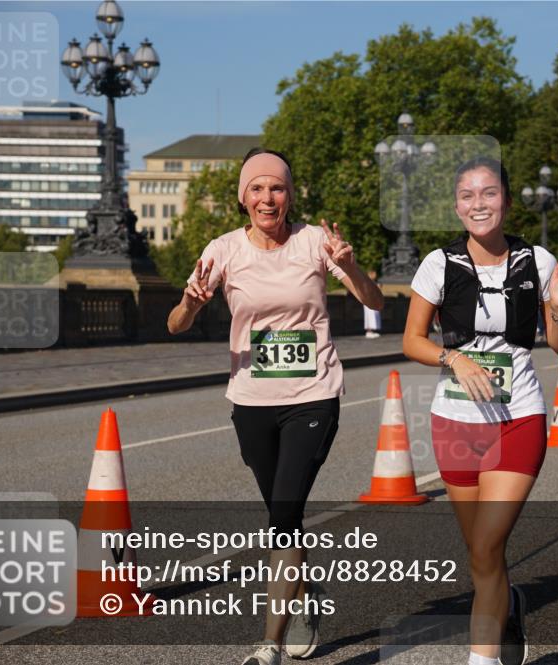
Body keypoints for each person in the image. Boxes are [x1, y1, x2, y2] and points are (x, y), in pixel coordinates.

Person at [167, 148, 384, 665]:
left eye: (278, 188)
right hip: (251, 400)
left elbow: (374, 301)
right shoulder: (222, 250)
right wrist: (192, 304)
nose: (268, 198)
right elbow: (175, 325)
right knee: (280, 513)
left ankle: (269, 645)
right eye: (258, 188)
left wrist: (351, 267)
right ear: (244, 198)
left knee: (284, 516)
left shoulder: (314, 242)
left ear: (290, 195)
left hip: (313, 395)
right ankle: (306, 592)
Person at [403, 157, 558, 665]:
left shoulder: (538, 261)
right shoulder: (439, 264)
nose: (477, 204)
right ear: (457, 205)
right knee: (483, 556)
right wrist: (452, 357)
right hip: (454, 424)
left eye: (487, 193)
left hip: (518, 418)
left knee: (486, 546)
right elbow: (412, 340)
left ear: (505, 199)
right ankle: (510, 607)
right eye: (467, 195)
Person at [363, 270, 383, 338]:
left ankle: (371, 330)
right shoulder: (367, 283)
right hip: (369, 301)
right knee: (369, 316)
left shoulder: (372, 283)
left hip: (372, 301)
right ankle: (369, 331)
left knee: (373, 315)